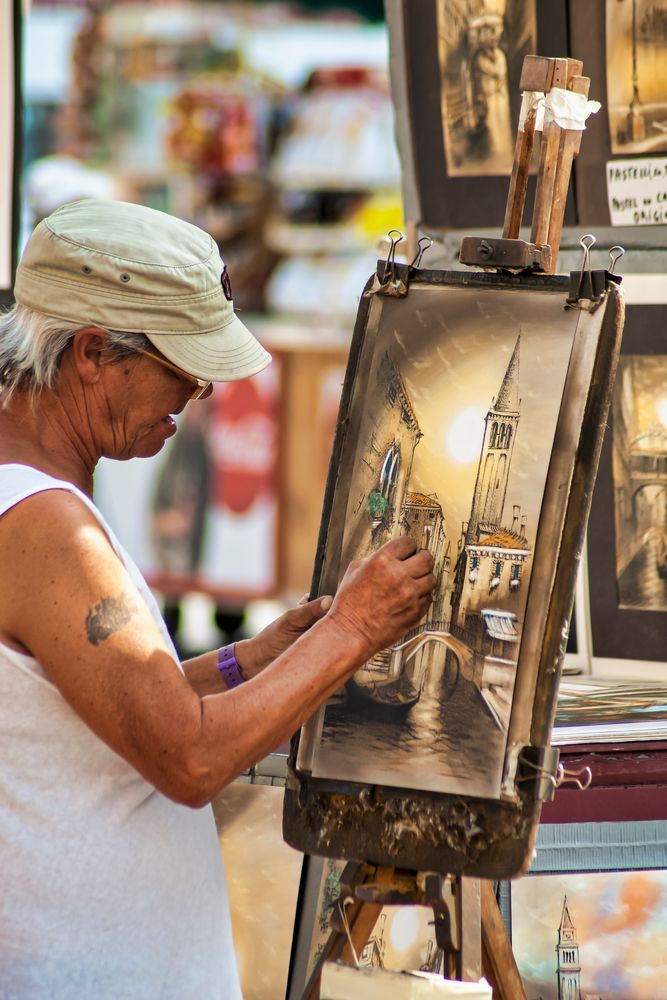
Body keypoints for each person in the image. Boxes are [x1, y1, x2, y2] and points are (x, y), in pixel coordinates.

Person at [0, 198, 435, 999]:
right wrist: (352, 629)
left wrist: (252, 659)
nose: (197, 391)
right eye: (181, 365)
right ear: (94, 352)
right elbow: (189, 756)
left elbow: (95, 708)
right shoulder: (44, 525)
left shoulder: (32, 500)